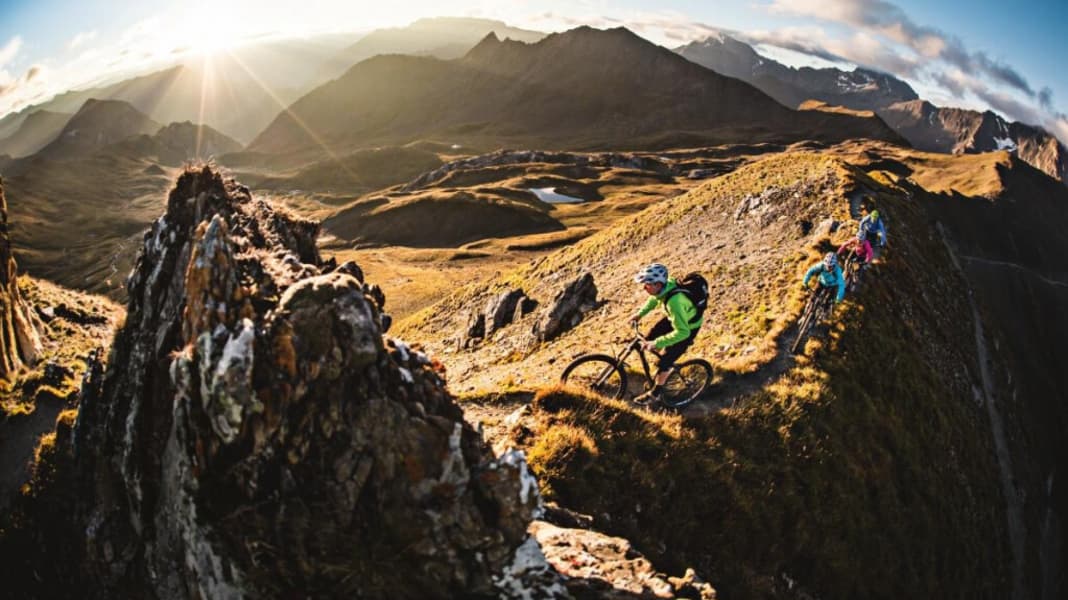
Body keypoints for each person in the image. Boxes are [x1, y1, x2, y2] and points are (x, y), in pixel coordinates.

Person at [629, 263, 703, 405]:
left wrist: (657, 343)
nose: (644, 287)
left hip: (687, 328)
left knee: (664, 361)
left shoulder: (675, 302)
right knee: (648, 337)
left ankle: (655, 393)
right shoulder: (665, 286)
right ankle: (660, 363)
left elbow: (683, 332)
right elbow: (653, 299)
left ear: (657, 284)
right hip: (675, 318)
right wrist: (639, 314)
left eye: (647, 284)